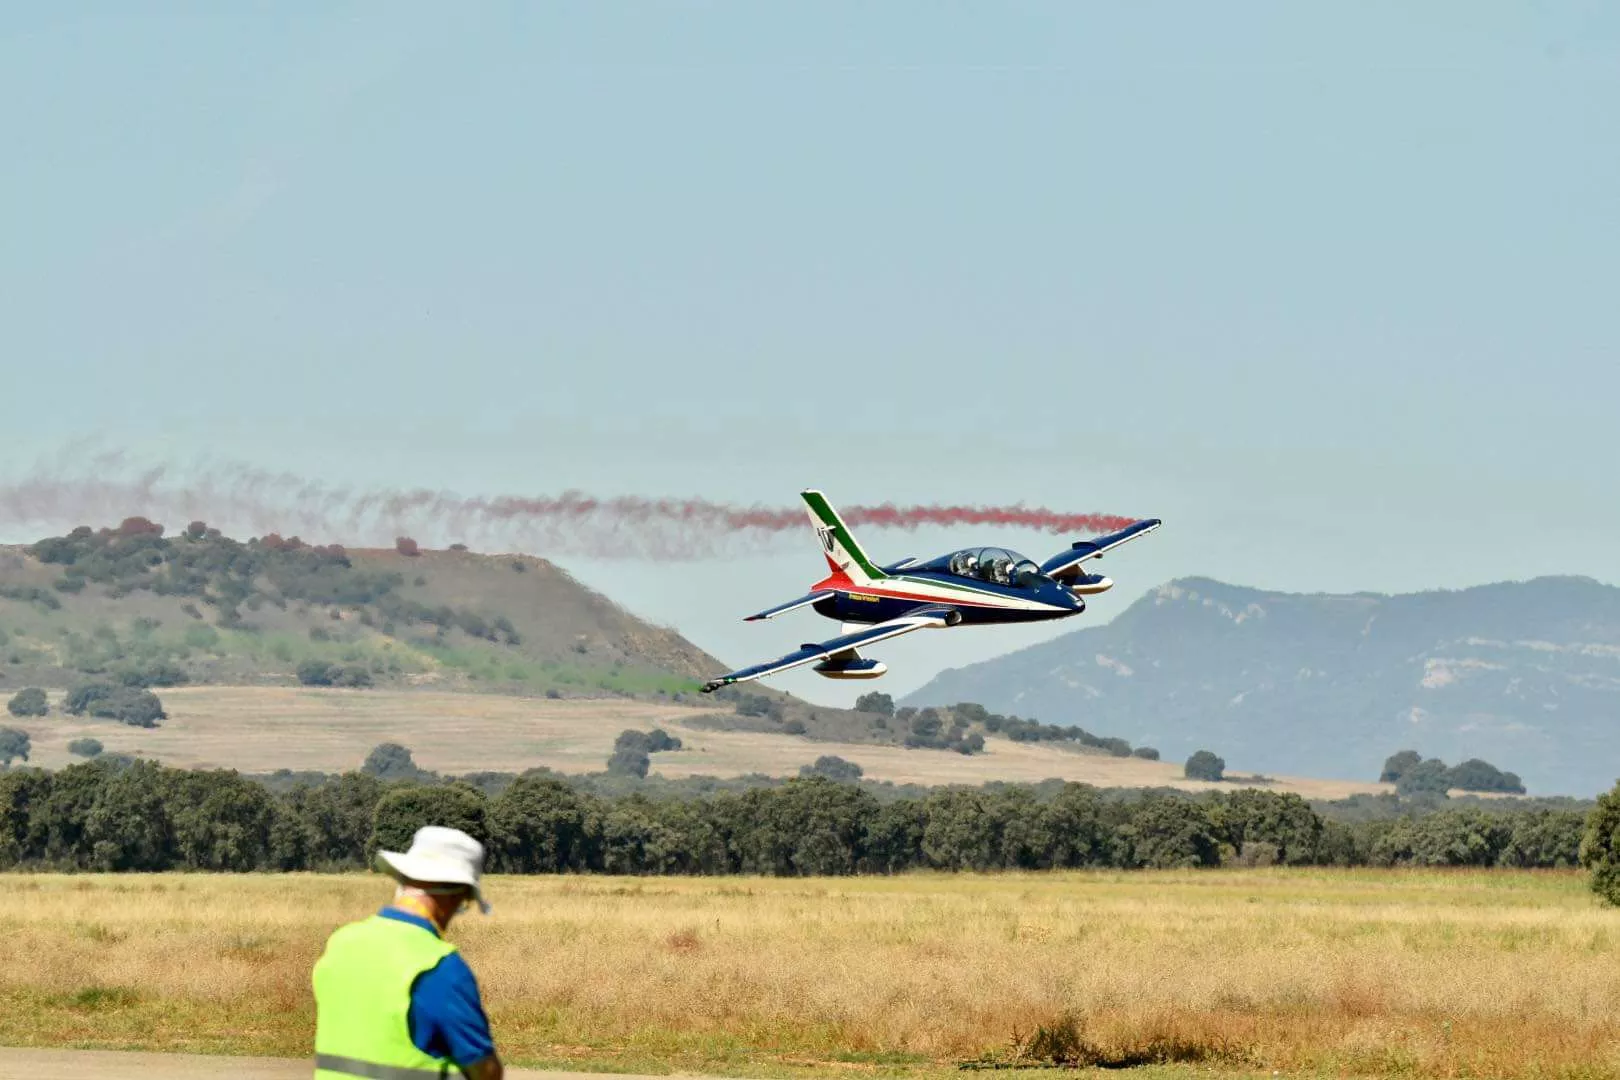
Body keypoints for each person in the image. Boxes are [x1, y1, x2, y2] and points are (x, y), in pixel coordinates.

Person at [312, 825, 503, 1079]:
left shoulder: (342, 943)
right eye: (464, 903)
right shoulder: (438, 966)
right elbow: (483, 1068)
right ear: (453, 895)